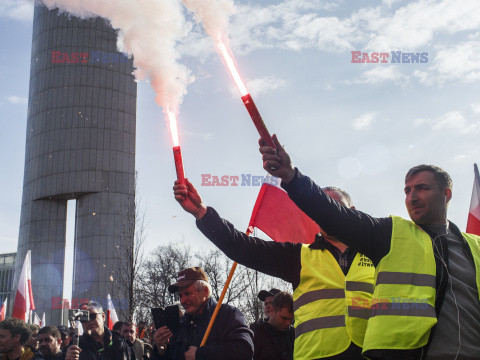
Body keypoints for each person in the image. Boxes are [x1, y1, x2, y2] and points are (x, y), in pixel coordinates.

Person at [259, 134, 480, 359]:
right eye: (407, 190)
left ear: (446, 194)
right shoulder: (390, 233)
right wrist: (290, 176)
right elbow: (334, 214)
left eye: (421, 188)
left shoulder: (476, 247)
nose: (412, 197)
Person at [173, 179, 375, 359]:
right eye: (320, 208)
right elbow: (242, 247)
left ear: (353, 211)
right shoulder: (299, 256)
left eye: (335, 207)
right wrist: (201, 213)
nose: (327, 214)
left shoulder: (379, 253)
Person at [150, 267, 254, 360]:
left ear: (205, 291)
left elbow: (244, 351)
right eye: (180, 295)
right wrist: (161, 350)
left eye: (187, 293)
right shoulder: (181, 324)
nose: (183, 300)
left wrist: (200, 354)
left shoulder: (228, 314)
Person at [65, 301, 135, 360]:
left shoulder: (121, 343)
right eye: (84, 318)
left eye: (92, 316)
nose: (89, 321)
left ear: (103, 316)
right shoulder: (75, 346)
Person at [250, 292, 294, 360]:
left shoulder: (294, 334)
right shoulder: (256, 332)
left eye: (291, 319)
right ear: (274, 309)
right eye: (284, 318)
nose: (288, 323)